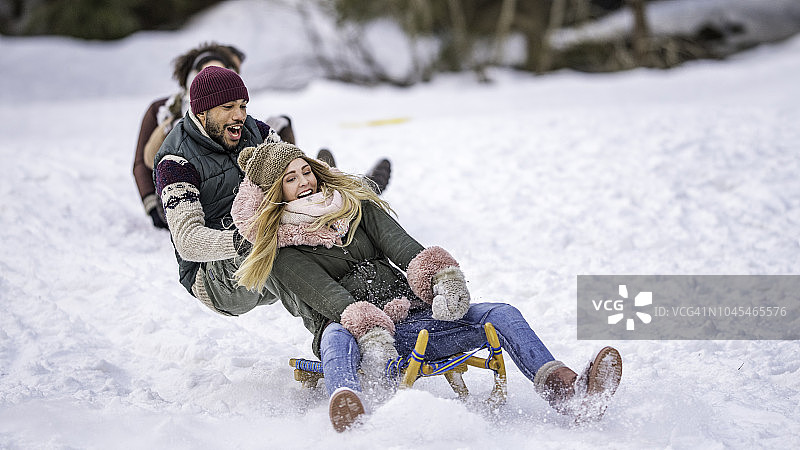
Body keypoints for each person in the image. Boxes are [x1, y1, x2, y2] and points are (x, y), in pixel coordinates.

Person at [229, 141, 624, 432]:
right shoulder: (279, 249)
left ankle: (567, 393)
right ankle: (352, 414)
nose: (304, 182)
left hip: (412, 322)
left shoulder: (354, 207)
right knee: (334, 335)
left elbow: (400, 245)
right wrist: (369, 328)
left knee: (499, 313)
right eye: (290, 179)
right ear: (273, 192)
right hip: (351, 332)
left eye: (305, 171)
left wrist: (440, 277)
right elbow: (327, 296)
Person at [135, 42, 296, 229]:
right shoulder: (164, 110)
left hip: (234, 198)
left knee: (279, 126)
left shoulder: (235, 109)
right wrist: (152, 207)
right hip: (181, 198)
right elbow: (143, 161)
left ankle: (308, 179)